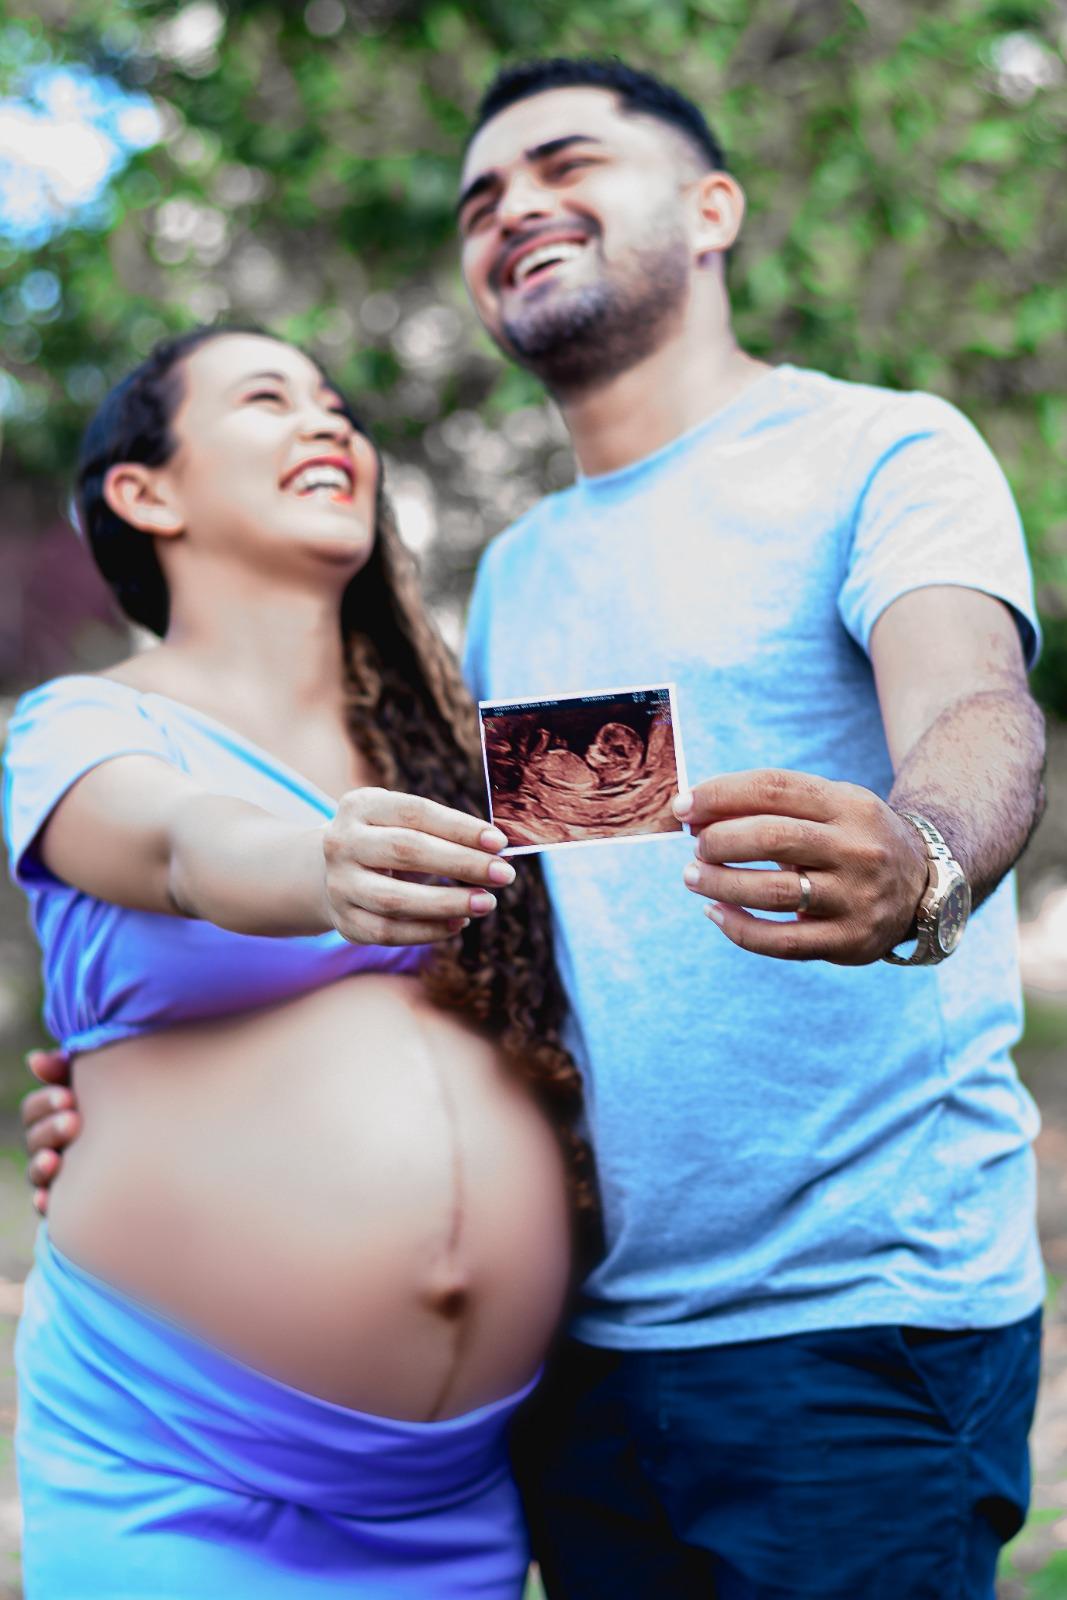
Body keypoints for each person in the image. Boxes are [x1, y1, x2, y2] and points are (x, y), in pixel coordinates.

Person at [26, 55, 1049, 1600]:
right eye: (478, 198)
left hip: (844, 1323)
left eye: (565, 162)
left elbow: (972, 707)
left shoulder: (875, 452)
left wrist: (924, 862)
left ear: (711, 210)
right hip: (593, 1362)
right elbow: (567, 916)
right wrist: (140, 1087)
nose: (514, 209)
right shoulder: (515, 578)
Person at [2, 323, 597, 1599]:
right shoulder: (89, 722)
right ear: (143, 490)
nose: (328, 422)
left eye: (337, 404)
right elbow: (175, 846)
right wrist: (318, 866)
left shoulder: (471, 740)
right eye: (268, 399)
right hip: (181, 1479)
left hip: (456, 1498)